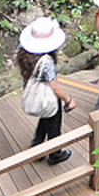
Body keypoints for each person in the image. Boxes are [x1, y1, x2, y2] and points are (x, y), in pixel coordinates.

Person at [17, 16, 77, 164]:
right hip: (47, 95)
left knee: (45, 118)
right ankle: (55, 153)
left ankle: (37, 148)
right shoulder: (46, 61)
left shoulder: (24, 53)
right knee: (54, 124)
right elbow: (55, 86)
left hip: (36, 92)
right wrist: (68, 100)